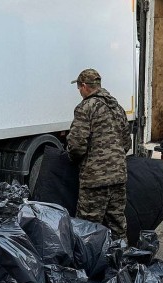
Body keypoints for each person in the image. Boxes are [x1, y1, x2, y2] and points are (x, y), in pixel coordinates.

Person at [66, 69, 131, 240]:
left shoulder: (86, 107)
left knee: (87, 228)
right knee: (117, 225)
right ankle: (122, 262)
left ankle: (88, 265)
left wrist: (75, 161)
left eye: (79, 87)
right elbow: (126, 142)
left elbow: (76, 145)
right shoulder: (117, 107)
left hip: (95, 180)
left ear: (85, 86)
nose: (79, 91)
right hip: (118, 177)